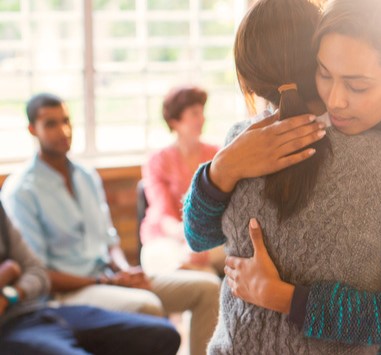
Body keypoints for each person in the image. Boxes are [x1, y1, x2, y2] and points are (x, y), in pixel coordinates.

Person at [183, 0, 381, 353]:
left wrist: (287, 298)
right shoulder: (310, 127)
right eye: (324, 74)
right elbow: (200, 235)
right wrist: (222, 169)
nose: (335, 100)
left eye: (357, 86)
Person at [0, 93, 221, 355]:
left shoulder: (86, 176)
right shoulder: (21, 191)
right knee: (146, 306)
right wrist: (105, 281)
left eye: (67, 121)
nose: (64, 130)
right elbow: (40, 272)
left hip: (109, 276)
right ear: (31, 129)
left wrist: (126, 270)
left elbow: (109, 239)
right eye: (51, 124)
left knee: (208, 289)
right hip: (70, 293)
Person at [0, 202, 181, 355]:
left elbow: (36, 270)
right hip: (7, 329)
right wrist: (10, 270)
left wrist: (12, 291)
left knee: (164, 335)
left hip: (39, 311)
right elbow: (20, 268)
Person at [140, 85, 223, 276]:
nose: (202, 119)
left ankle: (197, 271)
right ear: (175, 121)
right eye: (194, 114)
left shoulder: (216, 154)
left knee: (205, 259)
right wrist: (189, 239)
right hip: (166, 236)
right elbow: (163, 213)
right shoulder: (157, 161)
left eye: (202, 113)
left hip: (208, 237)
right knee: (185, 264)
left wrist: (201, 242)